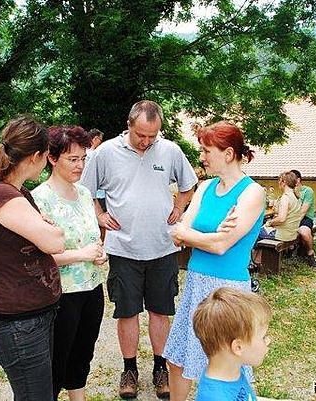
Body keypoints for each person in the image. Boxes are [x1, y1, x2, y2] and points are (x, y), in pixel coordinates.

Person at [80, 100, 198, 399]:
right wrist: (99, 215)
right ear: (128, 125)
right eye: (140, 135)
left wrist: (179, 207)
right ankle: (129, 369)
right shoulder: (105, 152)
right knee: (127, 312)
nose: (146, 141)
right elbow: (84, 190)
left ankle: (160, 368)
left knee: (161, 311)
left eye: (152, 136)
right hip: (123, 248)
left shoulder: (170, 150)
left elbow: (189, 184)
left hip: (162, 247)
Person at [163, 121, 265, 401]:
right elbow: (178, 234)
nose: (202, 157)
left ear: (228, 154)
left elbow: (220, 246)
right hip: (196, 283)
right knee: (177, 359)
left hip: (228, 291)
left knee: (228, 364)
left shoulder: (252, 192)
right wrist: (207, 236)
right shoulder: (206, 186)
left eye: (207, 151)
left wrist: (195, 236)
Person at [0, 114, 66, 401]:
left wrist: (46, 227)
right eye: (46, 156)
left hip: (34, 317)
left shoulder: (17, 192)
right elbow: (54, 241)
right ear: (36, 156)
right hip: (19, 325)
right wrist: (50, 228)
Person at [31, 125, 107, 401]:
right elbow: (38, 257)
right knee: (55, 361)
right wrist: (82, 255)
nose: (80, 165)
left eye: (83, 158)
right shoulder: (39, 199)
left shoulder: (85, 194)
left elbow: (91, 239)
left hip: (92, 289)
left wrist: (99, 253)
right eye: (72, 159)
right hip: (61, 295)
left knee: (82, 356)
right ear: (52, 158)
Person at [193, 287, 272, 401]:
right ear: (238, 347)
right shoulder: (215, 398)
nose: (268, 341)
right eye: (263, 337)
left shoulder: (233, 370)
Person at [290, 169, 316, 268]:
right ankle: (291, 250)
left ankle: (310, 253)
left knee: (304, 232)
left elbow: (303, 211)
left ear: (298, 180)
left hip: (305, 218)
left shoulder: (307, 191)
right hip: (292, 218)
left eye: (291, 179)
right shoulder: (290, 191)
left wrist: (293, 224)